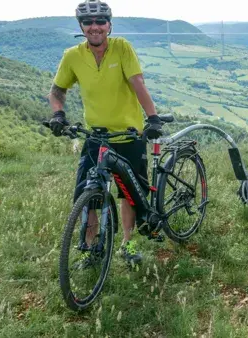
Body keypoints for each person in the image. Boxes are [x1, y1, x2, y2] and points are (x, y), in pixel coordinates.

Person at [47, 0, 163, 266]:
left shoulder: (122, 48)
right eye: (88, 22)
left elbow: (138, 84)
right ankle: (91, 249)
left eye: (100, 21)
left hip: (129, 135)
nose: (94, 27)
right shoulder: (73, 56)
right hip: (96, 137)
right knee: (86, 195)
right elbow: (57, 90)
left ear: (109, 25)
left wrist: (152, 118)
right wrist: (58, 114)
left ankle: (127, 244)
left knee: (130, 194)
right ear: (81, 26)